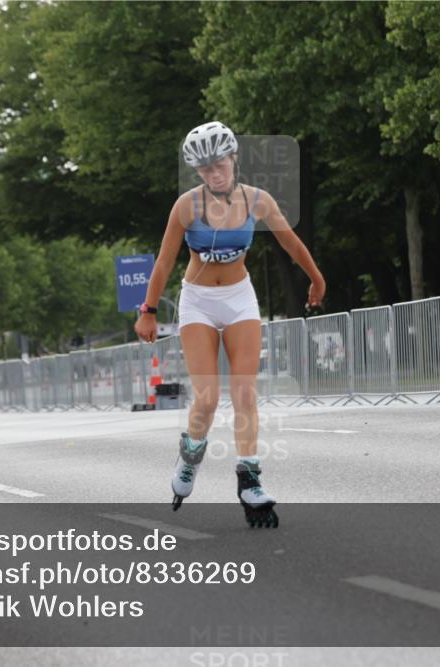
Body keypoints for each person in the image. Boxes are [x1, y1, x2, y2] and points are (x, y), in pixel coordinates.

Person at [134, 121, 325, 528]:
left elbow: (290, 241)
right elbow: (165, 261)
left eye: (219, 165)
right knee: (206, 398)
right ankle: (190, 456)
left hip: (238, 298)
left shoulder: (258, 201)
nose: (214, 174)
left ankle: (249, 478)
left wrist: (316, 277)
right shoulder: (186, 206)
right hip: (198, 302)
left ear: (234, 159)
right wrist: (147, 310)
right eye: (204, 169)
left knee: (245, 392)